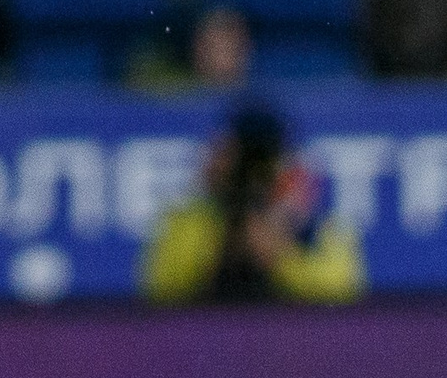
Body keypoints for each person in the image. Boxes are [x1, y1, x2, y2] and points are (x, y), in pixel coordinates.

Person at [139, 106, 366, 306]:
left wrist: (278, 256)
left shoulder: (314, 224)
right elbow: (160, 285)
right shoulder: (193, 217)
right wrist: (224, 244)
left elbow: (342, 287)